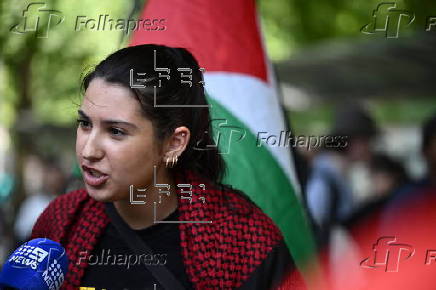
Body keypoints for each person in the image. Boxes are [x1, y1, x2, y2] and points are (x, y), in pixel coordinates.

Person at [30, 44, 304, 289]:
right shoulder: (60, 222)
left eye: (116, 131)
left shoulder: (243, 238)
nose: (89, 151)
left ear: (173, 143)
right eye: (85, 124)